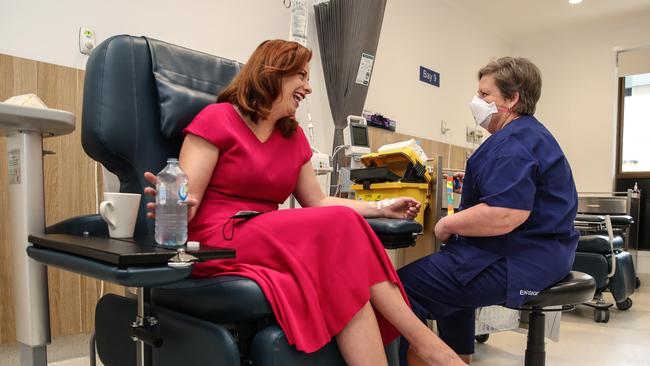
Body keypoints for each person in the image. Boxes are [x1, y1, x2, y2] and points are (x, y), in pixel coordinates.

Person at [143, 39, 465, 366]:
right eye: (301, 75)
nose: (308, 88)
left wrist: (383, 208)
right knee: (341, 232)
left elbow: (319, 201)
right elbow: (188, 193)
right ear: (272, 73)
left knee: (346, 283)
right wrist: (176, 206)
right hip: (220, 237)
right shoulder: (218, 118)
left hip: (268, 236)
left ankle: (417, 349)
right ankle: (426, 345)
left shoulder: (293, 137)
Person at [398, 57, 579, 365]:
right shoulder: (527, 135)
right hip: (542, 255)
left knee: (399, 290)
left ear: (512, 99)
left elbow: (506, 213)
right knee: (450, 278)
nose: (476, 102)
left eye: (485, 95)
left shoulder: (514, 142)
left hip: (521, 260)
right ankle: (461, 359)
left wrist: (448, 224)